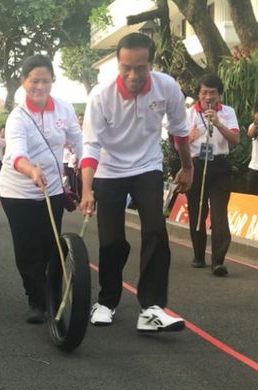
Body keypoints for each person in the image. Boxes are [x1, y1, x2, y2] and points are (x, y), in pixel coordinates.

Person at [80, 33, 192, 331]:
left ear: (150, 64)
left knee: (155, 230)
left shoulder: (166, 86)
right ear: (118, 64)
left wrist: (188, 167)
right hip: (109, 171)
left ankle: (152, 309)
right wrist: (86, 189)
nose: (133, 75)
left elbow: (180, 131)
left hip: (147, 167)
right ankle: (106, 301)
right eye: (126, 67)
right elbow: (90, 147)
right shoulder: (101, 97)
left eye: (140, 68)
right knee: (112, 241)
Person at [0, 54, 83, 323]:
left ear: (52, 82)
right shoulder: (17, 117)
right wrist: (32, 171)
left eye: (45, 81)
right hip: (18, 192)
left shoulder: (64, 108)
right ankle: (35, 299)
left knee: (50, 246)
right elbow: (16, 154)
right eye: (34, 81)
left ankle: (50, 293)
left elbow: (78, 140)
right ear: (24, 82)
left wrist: (91, 168)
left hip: (53, 190)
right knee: (27, 248)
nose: (40, 86)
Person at [184, 74, 240, 275]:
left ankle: (218, 260)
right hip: (196, 165)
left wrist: (217, 123)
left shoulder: (227, 112)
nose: (209, 97)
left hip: (219, 166)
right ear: (198, 94)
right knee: (197, 211)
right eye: (205, 92)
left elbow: (235, 139)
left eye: (213, 93)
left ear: (219, 95)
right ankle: (199, 255)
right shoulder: (189, 114)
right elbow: (178, 142)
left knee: (219, 214)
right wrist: (191, 136)